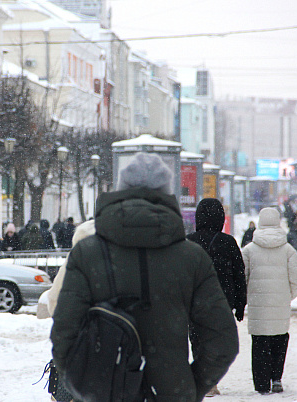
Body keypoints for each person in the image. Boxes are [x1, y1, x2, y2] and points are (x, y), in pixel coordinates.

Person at [51, 152, 239, 401]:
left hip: (107, 391)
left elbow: (64, 334)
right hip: (170, 393)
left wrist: (88, 388)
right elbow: (223, 341)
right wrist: (189, 385)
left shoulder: (87, 254)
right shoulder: (192, 258)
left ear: (120, 191)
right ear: (167, 195)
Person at [186, 197, 247, 397]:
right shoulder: (228, 242)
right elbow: (239, 275)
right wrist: (240, 304)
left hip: (195, 300)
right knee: (217, 341)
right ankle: (211, 380)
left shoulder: (189, 242)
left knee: (197, 339)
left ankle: (204, 381)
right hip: (222, 300)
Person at [241, 207, 297, 395]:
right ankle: (276, 378)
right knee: (279, 340)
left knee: (259, 343)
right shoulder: (288, 250)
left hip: (258, 306)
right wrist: (287, 296)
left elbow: (242, 278)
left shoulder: (249, 250)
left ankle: (261, 383)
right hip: (280, 304)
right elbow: (296, 279)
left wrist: (248, 296)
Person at [36, 220, 96, 402]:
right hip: (117, 345)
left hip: (79, 346)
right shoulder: (121, 259)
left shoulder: (75, 261)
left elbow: (54, 302)